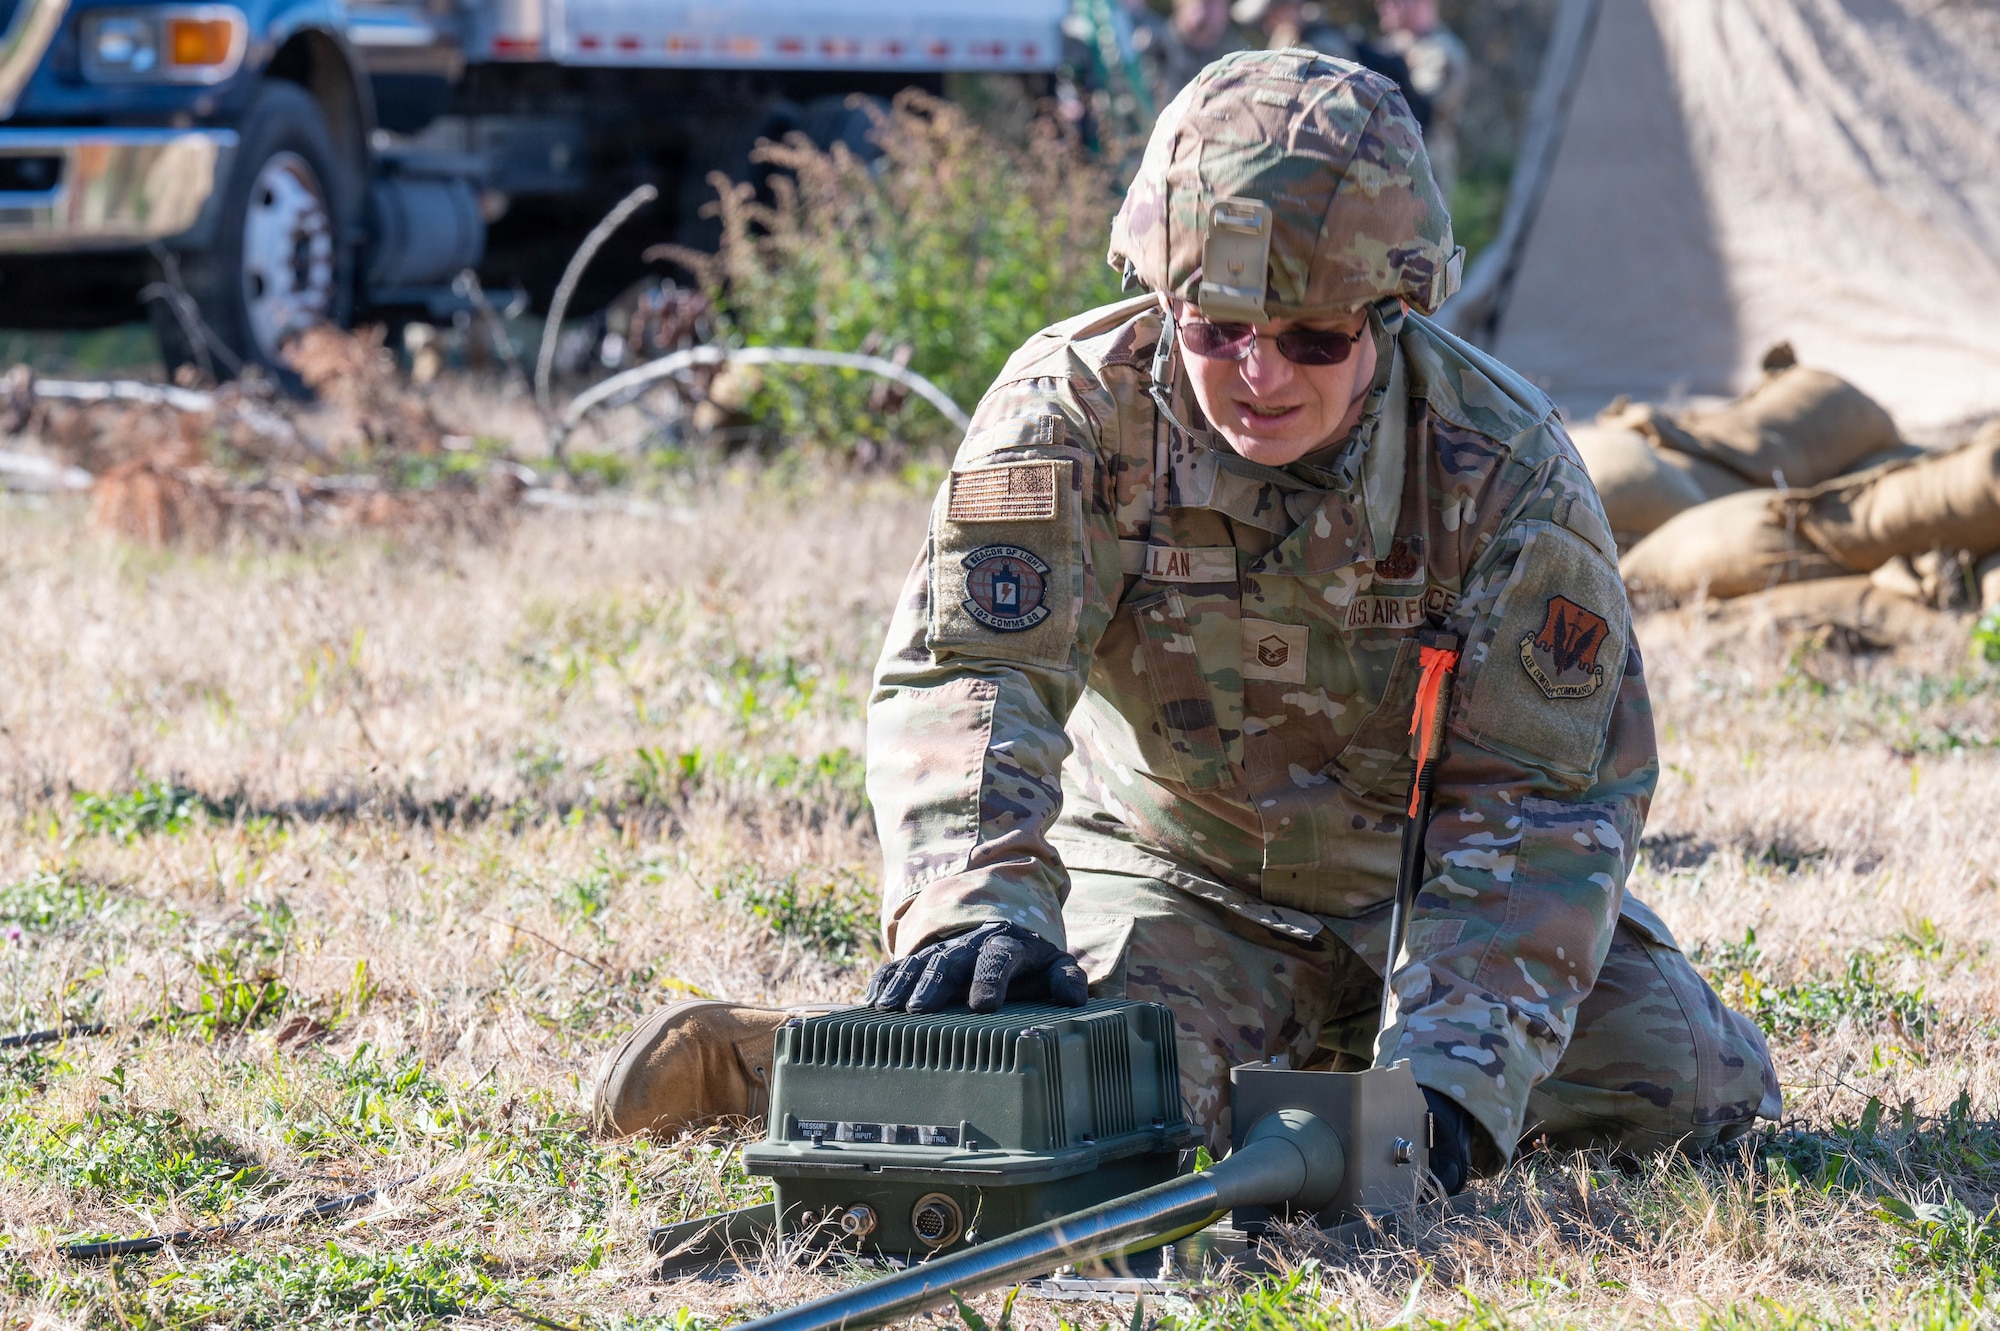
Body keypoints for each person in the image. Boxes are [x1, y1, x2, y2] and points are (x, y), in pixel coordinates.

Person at [592, 50, 1781, 1193]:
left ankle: (1346, 1060)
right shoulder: (1070, 411)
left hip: (1418, 895)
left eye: (1312, 337)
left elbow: (1541, 800)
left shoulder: (1502, 467)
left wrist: (1458, 1075)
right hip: (1177, 875)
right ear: (1161, 296)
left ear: (1393, 310)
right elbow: (970, 675)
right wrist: (978, 906)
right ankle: (790, 1063)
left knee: (1689, 1081)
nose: (1258, 373)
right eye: (1214, 328)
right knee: (1093, 1090)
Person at [1376, 0, 1469, 198]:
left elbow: (1417, 107)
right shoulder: (1387, 46)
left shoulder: (1442, 51)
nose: (1383, 5)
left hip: (1423, 172)